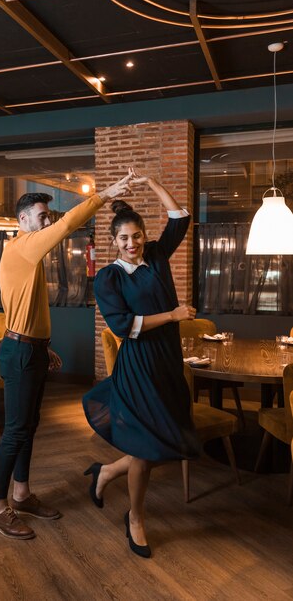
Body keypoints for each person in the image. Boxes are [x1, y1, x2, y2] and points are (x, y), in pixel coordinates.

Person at [0, 170, 135, 540]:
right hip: (19, 351)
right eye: (41, 216)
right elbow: (70, 222)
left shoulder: (26, 251)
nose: (47, 221)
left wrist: (42, 345)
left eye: (47, 216)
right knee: (15, 432)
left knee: (28, 427)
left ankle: (20, 494)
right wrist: (106, 194)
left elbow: (25, 306)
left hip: (30, 348)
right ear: (23, 221)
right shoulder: (24, 244)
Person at [82, 173, 200, 558]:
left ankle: (107, 472)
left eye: (137, 236)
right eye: (124, 238)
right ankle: (135, 518)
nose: (132, 244)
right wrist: (173, 314)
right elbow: (124, 326)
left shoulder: (158, 259)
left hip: (167, 361)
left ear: (144, 236)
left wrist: (152, 182)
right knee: (147, 447)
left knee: (152, 443)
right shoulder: (108, 277)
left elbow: (180, 218)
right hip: (138, 367)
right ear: (114, 242)